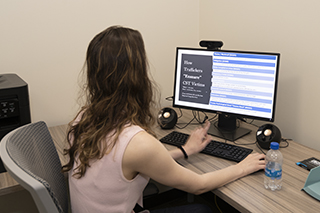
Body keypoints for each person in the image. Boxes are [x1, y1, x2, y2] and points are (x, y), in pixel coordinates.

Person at [62, 25, 265, 213]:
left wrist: (185, 150)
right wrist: (242, 167)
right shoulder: (136, 142)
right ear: (137, 76)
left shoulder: (84, 118)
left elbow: (128, 164)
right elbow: (199, 185)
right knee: (203, 210)